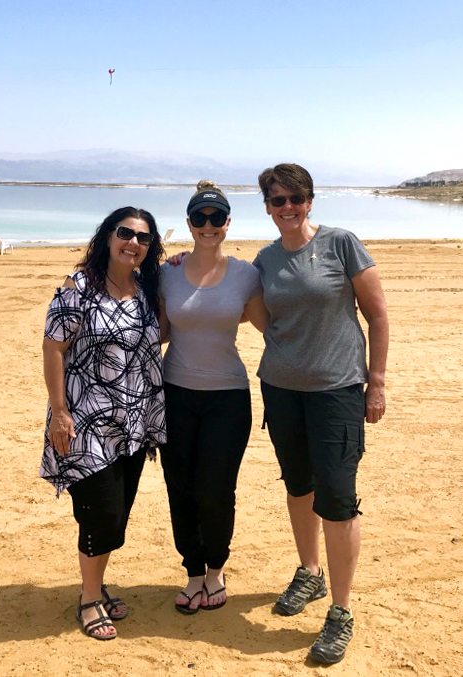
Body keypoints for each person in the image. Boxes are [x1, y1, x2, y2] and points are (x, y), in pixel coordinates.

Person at [252, 163, 388, 665]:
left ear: (310, 200)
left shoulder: (341, 243)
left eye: (295, 199)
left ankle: (341, 610)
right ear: (266, 206)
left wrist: (376, 383)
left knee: (337, 497)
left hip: (338, 390)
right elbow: (257, 313)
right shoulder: (264, 261)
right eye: (276, 200)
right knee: (298, 485)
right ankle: (309, 572)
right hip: (282, 391)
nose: (286, 208)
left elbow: (376, 314)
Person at [41, 206, 166, 640]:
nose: (133, 242)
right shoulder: (79, 288)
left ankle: (95, 582)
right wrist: (59, 412)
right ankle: (89, 598)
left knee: (116, 513)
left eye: (143, 238)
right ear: (108, 237)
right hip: (84, 422)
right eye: (125, 232)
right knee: (103, 512)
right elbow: (53, 348)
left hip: (133, 424)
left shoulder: (147, 288)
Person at [157, 181, 266, 615]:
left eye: (216, 218)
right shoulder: (167, 272)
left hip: (228, 397)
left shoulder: (246, 274)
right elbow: (159, 332)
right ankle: (193, 573)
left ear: (227, 224)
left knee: (217, 489)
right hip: (174, 395)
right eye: (199, 218)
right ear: (188, 224)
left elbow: (270, 329)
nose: (207, 225)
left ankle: (216, 570)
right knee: (180, 487)